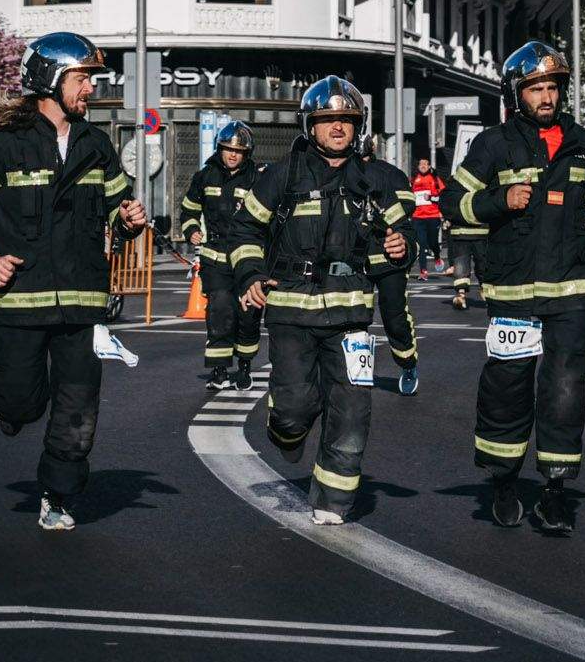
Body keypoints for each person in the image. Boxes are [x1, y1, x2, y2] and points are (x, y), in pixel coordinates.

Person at [0, 31, 147, 533]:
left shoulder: (96, 145)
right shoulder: (2, 146)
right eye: (82, 79)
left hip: (83, 302)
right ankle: (7, 407)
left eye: (91, 80)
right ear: (49, 81)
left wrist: (129, 218)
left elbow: (117, 211)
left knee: (79, 409)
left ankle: (58, 495)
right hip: (20, 302)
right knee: (22, 401)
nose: (90, 90)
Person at [440, 41, 585, 535]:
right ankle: (503, 479)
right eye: (537, 88)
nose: (547, 97)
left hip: (573, 284)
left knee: (565, 386)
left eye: (553, 88)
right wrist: (499, 199)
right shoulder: (494, 144)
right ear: (517, 94)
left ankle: (555, 490)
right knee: (508, 386)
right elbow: (456, 201)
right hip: (512, 286)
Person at [229, 77, 415, 524]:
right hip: (291, 312)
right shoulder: (281, 177)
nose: (337, 127)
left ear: (359, 126)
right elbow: (244, 231)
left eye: (346, 120)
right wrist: (252, 273)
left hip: (351, 317)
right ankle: (286, 430)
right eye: (327, 120)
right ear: (309, 126)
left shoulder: (379, 179)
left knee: (352, 410)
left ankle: (333, 501)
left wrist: (402, 245)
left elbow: (408, 232)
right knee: (294, 409)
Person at [179, 121, 261, 389]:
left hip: (248, 257)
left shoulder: (257, 179)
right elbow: (188, 210)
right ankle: (218, 372)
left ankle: (245, 368)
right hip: (215, 257)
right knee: (220, 311)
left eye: (238, 150)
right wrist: (191, 230)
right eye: (228, 149)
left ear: (246, 153)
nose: (233, 154)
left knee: (247, 314)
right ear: (220, 148)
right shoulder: (205, 176)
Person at [363, 139, 423, 396]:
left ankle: (407, 364)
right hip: (356, 260)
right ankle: (355, 370)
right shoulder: (338, 171)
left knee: (394, 317)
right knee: (353, 319)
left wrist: (378, 211)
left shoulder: (390, 173)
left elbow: (407, 204)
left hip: (389, 259)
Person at [410, 157, 446, 277]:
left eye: (425, 164)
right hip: (417, 217)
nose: (423, 166)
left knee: (433, 242)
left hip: (433, 216)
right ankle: (423, 271)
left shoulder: (435, 179)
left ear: (429, 166)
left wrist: (430, 198)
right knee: (422, 244)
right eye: (421, 164)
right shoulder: (413, 180)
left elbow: (444, 197)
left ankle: (437, 256)